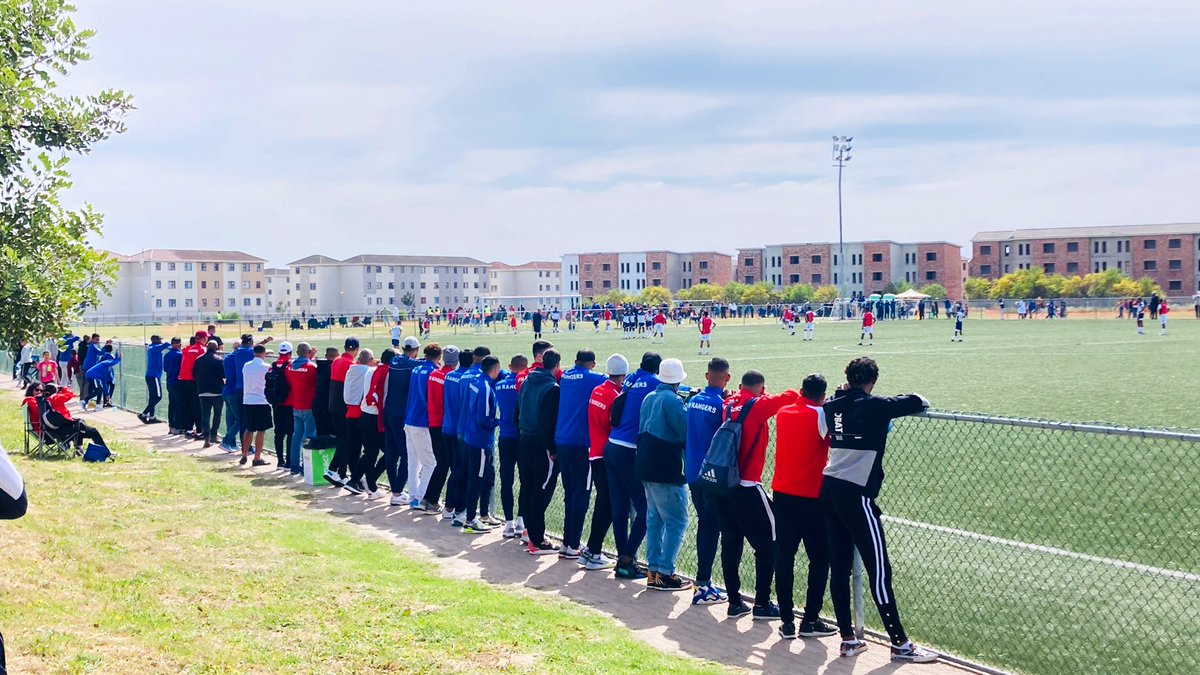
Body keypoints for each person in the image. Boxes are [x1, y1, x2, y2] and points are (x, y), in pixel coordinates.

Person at [821, 357, 936, 662]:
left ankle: (848, 639)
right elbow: (919, 400)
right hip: (856, 494)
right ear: (872, 381)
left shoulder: (832, 404)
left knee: (840, 567)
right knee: (880, 570)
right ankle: (899, 643)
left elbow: (830, 420)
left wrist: (844, 393)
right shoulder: (876, 405)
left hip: (829, 488)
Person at [720, 369, 799, 620]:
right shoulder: (757, 405)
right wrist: (765, 396)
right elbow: (792, 396)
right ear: (760, 388)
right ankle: (762, 603)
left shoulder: (728, 403)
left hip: (726, 484)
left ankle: (735, 602)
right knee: (769, 545)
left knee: (730, 543)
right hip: (748, 485)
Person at [772, 373, 838, 640]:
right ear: (822, 396)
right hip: (811, 497)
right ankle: (810, 620)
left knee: (784, 557)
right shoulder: (821, 415)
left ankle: (787, 620)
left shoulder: (784, 412)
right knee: (820, 559)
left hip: (782, 493)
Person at [637, 357, 691, 591]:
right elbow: (685, 431)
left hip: (645, 465)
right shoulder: (673, 401)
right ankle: (666, 573)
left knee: (655, 520)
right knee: (677, 520)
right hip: (665, 467)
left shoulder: (650, 397)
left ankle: (654, 571)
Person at [605, 351, 661, 578]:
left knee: (619, 508)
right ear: (657, 369)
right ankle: (627, 558)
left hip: (611, 446)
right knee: (646, 510)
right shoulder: (654, 382)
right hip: (628, 450)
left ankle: (622, 559)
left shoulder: (631, 379)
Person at [685, 357, 730, 605]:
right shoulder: (720, 405)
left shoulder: (694, 401)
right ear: (727, 378)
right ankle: (703, 585)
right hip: (712, 477)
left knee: (706, 525)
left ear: (706, 375)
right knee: (712, 529)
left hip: (693, 472)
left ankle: (704, 583)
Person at [554, 349, 606, 558]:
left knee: (569, 494)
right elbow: (615, 380)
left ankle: (568, 541)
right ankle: (573, 543)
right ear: (593, 364)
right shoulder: (594, 378)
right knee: (581, 495)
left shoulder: (565, 375)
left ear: (575, 361)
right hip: (581, 444)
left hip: (562, 441)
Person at [579, 354, 624, 571]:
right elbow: (614, 423)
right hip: (606, 454)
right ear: (622, 375)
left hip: (594, 451)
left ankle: (591, 550)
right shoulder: (615, 395)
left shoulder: (597, 389)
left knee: (603, 503)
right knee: (607, 504)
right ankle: (594, 550)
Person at [515, 347, 561, 554]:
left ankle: (529, 533)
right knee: (540, 491)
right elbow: (547, 422)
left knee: (528, 487)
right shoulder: (552, 387)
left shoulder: (526, 381)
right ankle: (537, 539)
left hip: (524, 439)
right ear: (557, 365)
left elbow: (518, 412)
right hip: (540, 445)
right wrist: (552, 448)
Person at [461, 354, 501, 533]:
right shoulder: (485, 387)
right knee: (476, 479)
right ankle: (470, 520)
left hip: (473, 438)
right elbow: (483, 418)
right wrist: (500, 421)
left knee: (483, 477)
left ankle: (482, 515)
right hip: (480, 441)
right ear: (495, 369)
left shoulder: (476, 381)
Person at [382, 336, 423, 506]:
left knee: (391, 453)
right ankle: (398, 491)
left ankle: (395, 490)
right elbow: (422, 363)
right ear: (415, 350)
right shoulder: (412, 365)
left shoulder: (394, 361)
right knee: (407, 455)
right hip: (401, 414)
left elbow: (401, 359)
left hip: (389, 411)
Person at [424, 345, 460, 516]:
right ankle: (433, 500)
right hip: (444, 424)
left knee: (442, 462)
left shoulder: (434, 374)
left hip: (433, 421)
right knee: (447, 463)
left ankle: (429, 498)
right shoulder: (450, 377)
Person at [404, 343, 441, 509]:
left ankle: (413, 496)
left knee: (413, 462)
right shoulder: (433, 373)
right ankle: (419, 498)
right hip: (422, 422)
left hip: (409, 420)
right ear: (438, 357)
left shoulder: (416, 369)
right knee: (430, 463)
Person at [495, 354, 526, 538]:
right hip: (521, 437)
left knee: (506, 480)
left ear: (510, 366)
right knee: (525, 480)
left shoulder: (499, 385)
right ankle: (521, 522)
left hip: (505, 436)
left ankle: (507, 523)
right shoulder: (524, 384)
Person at [343, 349, 381, 494]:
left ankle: (355, 479)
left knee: (355, 449)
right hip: (362, 413)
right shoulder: (368, 371)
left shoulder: (351, 369)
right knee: (370, 451)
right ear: (370, 360)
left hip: (350, 413)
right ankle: (357, 480)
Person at [324, 337, 359, 485]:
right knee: (346, 441)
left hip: (333, 406)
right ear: (356, 350)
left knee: (343, 440)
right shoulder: (351, 365)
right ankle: (333, 469)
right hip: (344, 408)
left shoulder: (337, 360)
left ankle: (342, 473)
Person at [285, 342, 318, 475]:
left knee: (296, 436)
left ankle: (294, 466)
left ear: (297, 353)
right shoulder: (312, 367)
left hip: (296, 405)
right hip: (309, 406)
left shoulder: (289, 367)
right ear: (309, 352)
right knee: (309, 436)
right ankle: (307, 466)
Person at [239, 344, 273, 467]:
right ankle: (257, 457)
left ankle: (244, 454)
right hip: (261, 400)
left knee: (249, 429)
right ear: (264, 353)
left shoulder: (246, 366)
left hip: (247, 400)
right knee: (261, 430)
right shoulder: (266, 367)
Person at [193, 340, 225, 448]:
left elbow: (194, 374)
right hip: (217, 391)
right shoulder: (219, 360)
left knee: (205, 415)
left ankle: (206, 437)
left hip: (202, 391)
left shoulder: (198, 359)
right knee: (217, 414)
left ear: (206, 347)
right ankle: (214, 435)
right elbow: (223, 374)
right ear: (216, 349)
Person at [268, 342, 294, 468]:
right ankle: (289, 460)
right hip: (289, 403)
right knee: (290, 433)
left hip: (276, 403)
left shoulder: (272, 366)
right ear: (290, 353)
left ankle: (279, 460)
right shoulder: (290, 366)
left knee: (278, 433)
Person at [139, 335, 171, 424]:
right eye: (160, 339)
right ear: (156, 340)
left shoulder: (151, 347)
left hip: (150, 375)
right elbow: (168, 344)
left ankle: (152, 417)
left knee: (152, 397)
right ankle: (144, 414)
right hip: (154, 376)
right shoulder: (156, 348)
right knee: (158, 397)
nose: (161, 341)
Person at [163, 338, 183, 434]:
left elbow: (165, 369)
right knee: (179, 405)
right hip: (177, 382)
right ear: (179, 344)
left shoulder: (167, 355)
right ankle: (177, 427)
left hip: (169, 382)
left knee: (171, 404)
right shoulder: (180, 355)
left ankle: (171, 426)